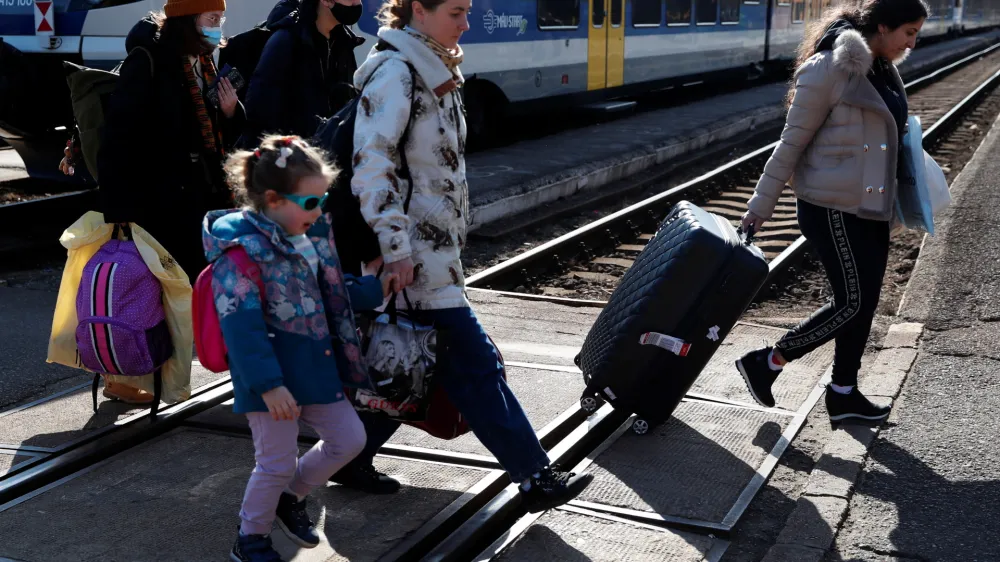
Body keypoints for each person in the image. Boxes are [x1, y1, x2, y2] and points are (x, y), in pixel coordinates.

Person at [329, 0, 595, 512]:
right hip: (413, 256)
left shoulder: (435, 67)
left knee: (412, 359)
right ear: (418, 12)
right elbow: (371, 170)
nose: (467, 22)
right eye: (456, 10)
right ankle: (535, 475)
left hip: (434, 251)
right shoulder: (397, 73)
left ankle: (349, 455)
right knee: (475, 365)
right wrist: (394, 249)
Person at [203, 134, 397, 562]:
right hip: (271, 381)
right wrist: (269, 385)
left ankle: (291, 496)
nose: (320, 210)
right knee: (273, 461)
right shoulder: (239, 254)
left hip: (315, 366)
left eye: (322, 200)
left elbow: (327, 291)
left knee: (349, 440)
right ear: (273, 199)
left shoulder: (307, 236)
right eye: (310, 202)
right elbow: (241, 325)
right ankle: (251, 536)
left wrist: (368, 290)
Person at [737, 0, 928, 423]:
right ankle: (766, 362)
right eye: (908, 33)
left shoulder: (881, 65)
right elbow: (790, 143)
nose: (914, 42)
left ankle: (843, 393)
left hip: (871, 205)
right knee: (853, 303)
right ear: (882, 26)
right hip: (831, 207)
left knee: (864, 301)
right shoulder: (828, 68)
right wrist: (760, 206)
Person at [98, 0, 245, 281]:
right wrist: (120, 214)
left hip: (202, 195)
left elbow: (213, 128)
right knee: (175, 287)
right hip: (162, 202)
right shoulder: (148, 60)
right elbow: (118, 137)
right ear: (188, 19)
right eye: (212, 19)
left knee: (198, 283)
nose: (218, 28)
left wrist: (230, 112)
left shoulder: (203, 60)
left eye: (220, 20)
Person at [242, 0, 366, 144]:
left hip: (327, 162)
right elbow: (260, 116)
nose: (357, 2)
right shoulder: (285, 42)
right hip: (292, 160)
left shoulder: (344, 44)